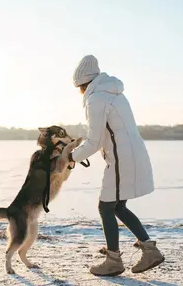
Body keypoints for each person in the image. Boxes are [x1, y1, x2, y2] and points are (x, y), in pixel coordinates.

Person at [68, 55, 165, 276]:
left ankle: (114, 260)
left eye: (79, 87)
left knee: (105, 206)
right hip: (130, 155)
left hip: (122, 159)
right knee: (117, 207)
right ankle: (150, 251)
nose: (80, 92)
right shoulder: (115, 94)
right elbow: (104, 135)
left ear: (83, 84)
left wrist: (70, 158)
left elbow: (93, 141)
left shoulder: (96, 99)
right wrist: (77, 153)